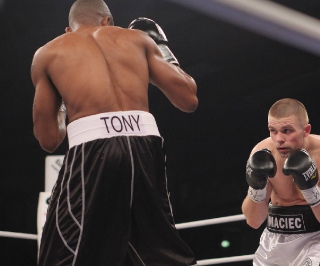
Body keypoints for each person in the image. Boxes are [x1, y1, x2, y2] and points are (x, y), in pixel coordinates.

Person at [31, 0, 198, 265]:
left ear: (68, 30)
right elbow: (188, 99)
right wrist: (162, 47)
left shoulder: (50, 53)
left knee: (63, 251)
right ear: (107, 21)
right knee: (158, 252)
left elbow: (49, 140)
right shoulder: (137, 39)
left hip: (93, 149)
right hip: (147, 145)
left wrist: (63, 100)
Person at [242, 98, 320, 265]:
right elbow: (254, 221)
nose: (278, 139)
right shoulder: (263, 153)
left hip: (319, 236)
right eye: (273, 130)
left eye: (287, 130)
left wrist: (310, 190)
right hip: (275, 237)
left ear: (305, 130)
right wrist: (256, 188)